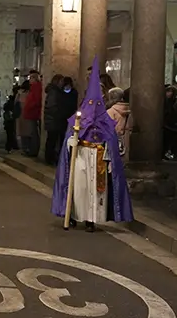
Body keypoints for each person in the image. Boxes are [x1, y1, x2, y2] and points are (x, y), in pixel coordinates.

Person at [51, 65, 134, 232]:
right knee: (79, 189)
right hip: (81, 156)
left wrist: (109, 156)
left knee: (95, 192)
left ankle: (91, 219)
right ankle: (73, 215)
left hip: (98, 158)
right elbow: (70, 137)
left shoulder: (105, 120)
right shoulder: (78, 118)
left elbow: (110, 139)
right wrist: (72, 142)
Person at [43, 76, 78, 165]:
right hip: (55, 120)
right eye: (61, 81)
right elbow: (53, 107)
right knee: (52, 140)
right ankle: (50, 158)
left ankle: (52, 158)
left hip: (56, 120)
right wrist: (62, 115)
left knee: (53, 140)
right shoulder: (54, 92)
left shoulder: (58, 92)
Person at [106, 86, 132, 162]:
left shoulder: (110, 111)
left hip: (113, 140)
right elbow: (130, 127)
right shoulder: (128, 110)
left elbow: (108, 128)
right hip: (126, 140)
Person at [20, 70, 43, 156]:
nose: (29, 80)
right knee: (32, 132)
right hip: (31, 112)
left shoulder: (36, 87)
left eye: (30, 78)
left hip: (33, 113)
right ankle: (32, 150)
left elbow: (36, 100)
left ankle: (33, 151)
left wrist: (29, 106)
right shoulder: (33, 87)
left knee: (33, 133)